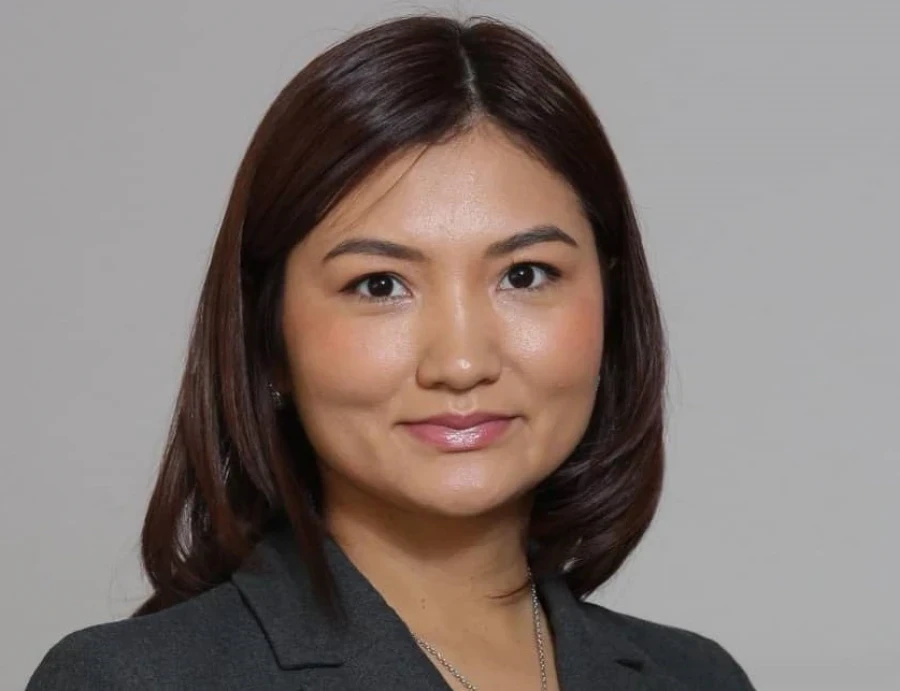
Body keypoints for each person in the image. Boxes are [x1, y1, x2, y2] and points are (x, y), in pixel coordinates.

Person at [26, 13, 756, 691]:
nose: (462, 362)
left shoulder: (698, 677)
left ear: (611, 302)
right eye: (380, 285)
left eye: (525, 275)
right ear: (267, 337)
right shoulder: (132, 680)